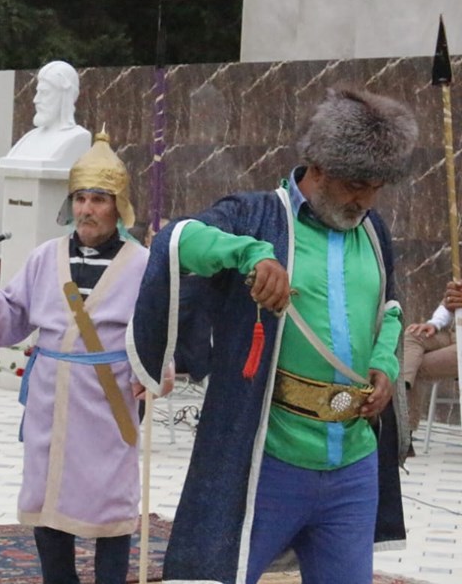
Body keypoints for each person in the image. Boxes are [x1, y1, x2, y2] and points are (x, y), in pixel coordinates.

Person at [129, 86, 417, 584]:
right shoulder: (256, 215)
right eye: (355, 185)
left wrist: (386, 364)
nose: (365, 200)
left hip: (353, 465)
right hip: (268, 460)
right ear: (319, 167)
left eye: (376, 188)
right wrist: (250, 253)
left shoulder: (373, 231)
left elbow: (388, 308)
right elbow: (179, 239)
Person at [0, 131, 149, 584]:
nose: (86, 209)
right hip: (51, 402)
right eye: (80, 198)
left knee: (111, 510)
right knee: (49, 502)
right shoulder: (45, 257)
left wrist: (155, 370)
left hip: (108, 405)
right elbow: (13, 309)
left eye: (98, 199)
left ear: (118, 206)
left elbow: (155, 332)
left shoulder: (141, 264)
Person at [1, 60, 90, 168]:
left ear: (65, 97)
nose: (36, 100)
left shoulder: (78, 137)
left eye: (45, 92)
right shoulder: (28, 138)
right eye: (37, 92)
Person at [403, 279, 462, 431]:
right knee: (414, 334)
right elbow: (448, 304)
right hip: (454, 333)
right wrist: (434, 323)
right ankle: (401, 387)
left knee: (417, 367)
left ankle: (405, 428)